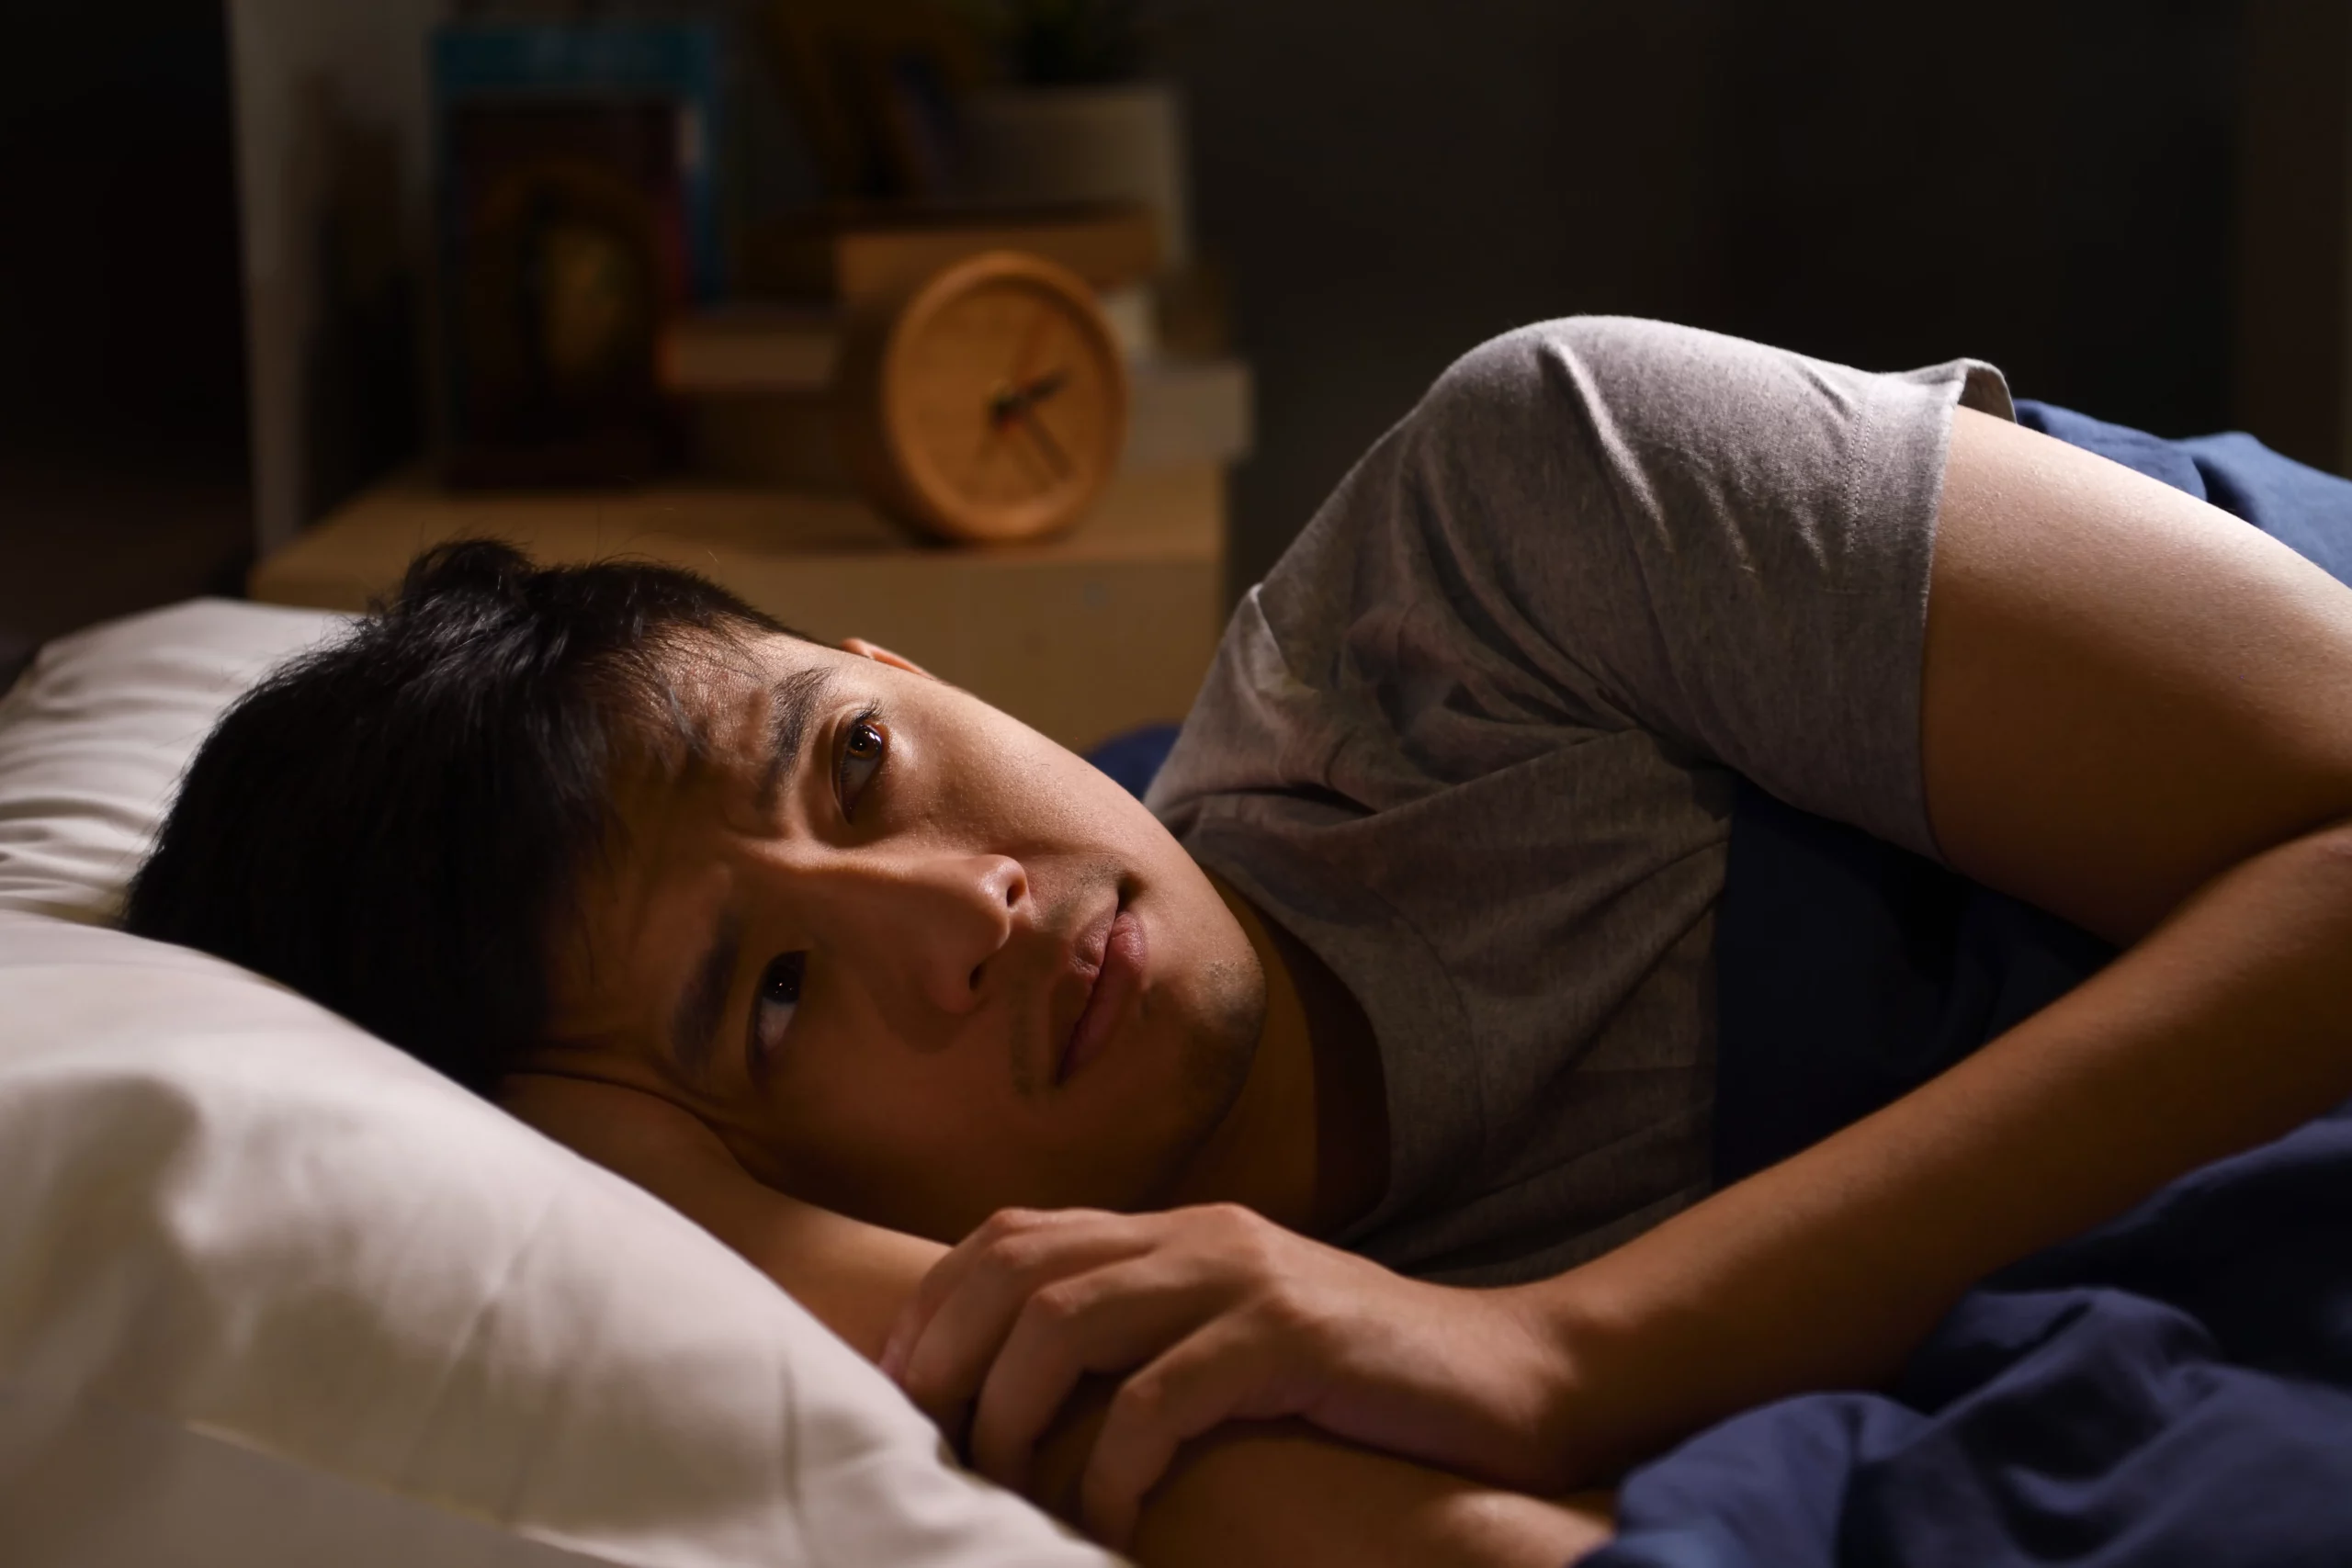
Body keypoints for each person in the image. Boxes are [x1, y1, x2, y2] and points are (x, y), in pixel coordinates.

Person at [125, 319, 2352, 1567]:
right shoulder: (1103, 1391)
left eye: (860, 764)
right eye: (773, 997)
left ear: (897, 662)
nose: (965, 911)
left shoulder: (1517, 530)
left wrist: (1563, 1353)